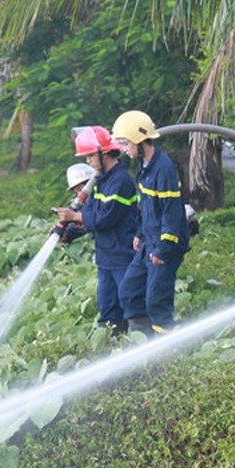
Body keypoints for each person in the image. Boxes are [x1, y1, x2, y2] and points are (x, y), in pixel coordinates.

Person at [111, 110, 189, 336]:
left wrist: (163, 250)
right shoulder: (144, 166)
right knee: (129, 291)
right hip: (148, 242)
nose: (123, 149)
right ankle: (142, 340)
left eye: (125, 143)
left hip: (164, 246)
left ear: (139, 140)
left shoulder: (163, 169)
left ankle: (164, 351)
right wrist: (139, 233)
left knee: (157, 302)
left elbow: (171, 214)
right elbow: (146, 208)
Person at [55, 126, 138, 333]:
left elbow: (106, 218)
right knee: (107, 306)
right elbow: (91, 211)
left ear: (105, 153)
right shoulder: (102, 180)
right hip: (106, 256)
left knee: (130, 304)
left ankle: (141, 349)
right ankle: (110, 345)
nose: (88, 161)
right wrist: (70, 229)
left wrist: (74, 216)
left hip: (122, 254)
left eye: (90, 156)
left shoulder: (120, 181)